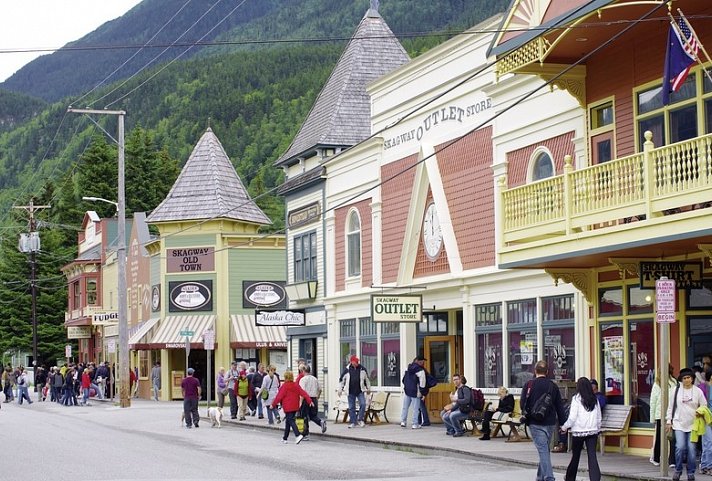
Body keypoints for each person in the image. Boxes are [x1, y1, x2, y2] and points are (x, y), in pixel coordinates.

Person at [521, 360, 567, 481]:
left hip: (534, 423)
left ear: (535, 371)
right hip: (550, 423)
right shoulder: (553, 386)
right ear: (547, 372)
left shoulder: (529, 385)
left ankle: (549, 477)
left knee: (543, 450)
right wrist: (563, 424)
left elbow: (522, 404)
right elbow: (559, 406)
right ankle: (540, 477)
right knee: (544, 449)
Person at [667, 367, 706, 481]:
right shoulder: (675, 390)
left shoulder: (697, 391)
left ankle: (690, 473)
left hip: (693, 425)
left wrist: (700, 412)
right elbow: (671, 407)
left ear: (693, 379)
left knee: (692, 449)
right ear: (681, 379)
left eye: (689, 378)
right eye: (684, 378)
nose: (687, 380)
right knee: (680, 447)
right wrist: (669, 421)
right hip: (679, 423)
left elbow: (704, 405)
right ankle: (678, 470)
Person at [560, 377, 602, 481]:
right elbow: (598, 417)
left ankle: (570, 477)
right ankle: (595, 478)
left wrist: (565, 427)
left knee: (576, 456)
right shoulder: (594, 399)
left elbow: (572, 417)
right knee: (592, 457)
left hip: (578, 432)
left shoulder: (576, 399)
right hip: (592, 431)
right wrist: (598, 428)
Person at [270, 370, 313, 444]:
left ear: (285, 377)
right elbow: (303, 393)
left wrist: (273, 405)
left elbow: (279, 397)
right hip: (295, 406)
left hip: (287, 406)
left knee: (290, 420)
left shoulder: (284, 386)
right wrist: (309, 400)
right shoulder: (296, 385)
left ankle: (298, 435)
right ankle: (285, 438)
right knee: (288, 421)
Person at [338, 355, 371, 428]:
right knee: (351, 407)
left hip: (360, 390)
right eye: (355, 362)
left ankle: (360, 419)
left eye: (357, 361)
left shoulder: (362, 369)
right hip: (350, 391)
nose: (357, 363)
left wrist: (368, 388)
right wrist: (340, 390)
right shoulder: (347, 370)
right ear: (351, 362)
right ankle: (353, 422)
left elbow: (367, 379)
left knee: (363, 404)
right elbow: (342, 380)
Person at [299, 365, 327, 439]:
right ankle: (320, 422)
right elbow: (320, 389)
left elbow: (302, 391)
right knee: (313, 415)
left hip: (306, 399)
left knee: (304, 416)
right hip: (314, 398)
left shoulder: (303, 380)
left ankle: (305, 434)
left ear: (303, 371)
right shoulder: (315, 379)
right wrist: (318, 396)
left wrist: (300, 402)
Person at [441, 373, 471, 437]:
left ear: (460, 379)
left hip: (467, 410)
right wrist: (451, 410)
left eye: (457, 379)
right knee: (445, 416)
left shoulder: (465, 389)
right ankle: (458, 429)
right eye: (454, 380)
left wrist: (456, 400)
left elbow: (467, 400)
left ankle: (459, 431)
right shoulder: (459, 389)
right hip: (461, 409)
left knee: (452, 415)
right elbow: (458, 403)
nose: (455, 381)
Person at [400, 356, 426, 429]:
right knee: (416, 408)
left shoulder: (407, 368)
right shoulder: (420, 370)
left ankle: (403, 421)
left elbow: (403, 379)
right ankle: (415, 423)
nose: (423, 363)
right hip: (415, 391)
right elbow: (422, 383)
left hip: (407, 390)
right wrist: (423, 392)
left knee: (405, 407)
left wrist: (406, 386)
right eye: (422, 361)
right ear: (418, 361)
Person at [700, 370, 712, 475]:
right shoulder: (703, 387)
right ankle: (709, 467)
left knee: (707, 443)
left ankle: (704, 465)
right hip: (706, 418)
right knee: (709, 442)